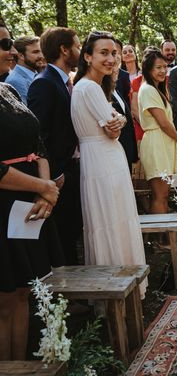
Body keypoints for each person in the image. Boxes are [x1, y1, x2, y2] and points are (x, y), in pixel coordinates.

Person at [70, 32, 147, 296]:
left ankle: (122, 282)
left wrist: (121, 120)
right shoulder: (89, 87)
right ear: (88, 56)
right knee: (112, 221)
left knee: (113, 220)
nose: (112, 58)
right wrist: (119, 122)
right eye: (104, 53)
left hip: (102, 159)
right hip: (103, 161)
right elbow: (113, 129)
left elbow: (118, 119)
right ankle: (117, 284)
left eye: (114, 53)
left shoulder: (91, 86)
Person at [0, 82, 63, 360]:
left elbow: (39, 146)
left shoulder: (8, 90)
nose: (11, 50)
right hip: (2, 206)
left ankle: (21, 365)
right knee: (4, 299)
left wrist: (46, 190)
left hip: (29, 205)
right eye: (3, 44)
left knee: (25, 290)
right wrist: (42, 187)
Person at [28, 26, 83, 265]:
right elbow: (39, 135)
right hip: (58, 173)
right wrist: (55, 173)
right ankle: (66, 297)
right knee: (63, 234)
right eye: (78, 46)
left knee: (72, 230)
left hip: (72, 168)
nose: (80, 51)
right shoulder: (44, 83)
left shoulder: (65, 82)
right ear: (64, 49)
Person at [138, 47, 177, 214]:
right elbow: (164, 123)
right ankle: (160, 238)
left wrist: (175, 145)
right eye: (158, 67)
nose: (163, 71)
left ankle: (164, 235)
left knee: (167, 194)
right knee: (160, 195)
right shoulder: (148, 90)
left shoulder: (158, 89)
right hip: (156, 143)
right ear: (148, 68)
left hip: (165, 143)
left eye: (164, 67)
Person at [111, 48, 138, 170]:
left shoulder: (115, 90)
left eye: (117, 67)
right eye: (113, 68)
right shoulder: (102, 91)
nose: (117, 72)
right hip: (115, 146)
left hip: (125, 145)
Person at [5, 36, 41, 103]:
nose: (41, 55)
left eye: (41, 51)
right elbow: (27, 112)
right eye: (36, 52)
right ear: (21, 56)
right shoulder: (15, 81)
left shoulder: (36, 74)